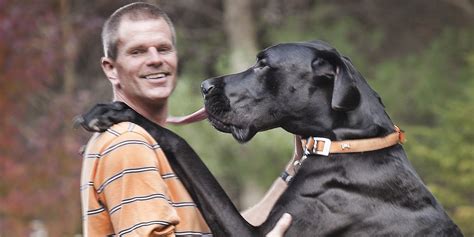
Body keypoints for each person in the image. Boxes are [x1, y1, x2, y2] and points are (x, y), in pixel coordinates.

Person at [80, 2, 298, 236]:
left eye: (163, 49)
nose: (155, 59)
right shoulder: (128, 142)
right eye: (137, 51)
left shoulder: (144, 141)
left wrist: (294, 170)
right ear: (110, 68)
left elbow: (221, 232)